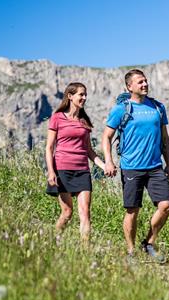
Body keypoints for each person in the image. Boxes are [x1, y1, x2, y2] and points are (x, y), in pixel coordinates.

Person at [101, 69, 169, 263]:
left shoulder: (158, 107)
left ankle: (148, 242)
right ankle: (131, 251)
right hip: (131, 167)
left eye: (146, 81)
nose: (145, 84)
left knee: (166, 205)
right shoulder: (121, 109)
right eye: (140, 82)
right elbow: (106, 136)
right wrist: (108, 160)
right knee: (133, 211)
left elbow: (165, 138)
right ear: (129, 86)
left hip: (155, 166)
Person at [45, 82, 106, 242]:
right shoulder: (57, 118)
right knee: (67, 212)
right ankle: (52, 241)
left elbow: (89, 151)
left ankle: (85, 253)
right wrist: (51, 172)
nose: (84, 97)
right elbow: (49, 147)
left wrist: (104, 166)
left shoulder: (84, 121)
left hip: (82, 171)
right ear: (70, 96)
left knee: (85, 212)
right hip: (62, 169)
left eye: (85, 95)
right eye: (81, 94)